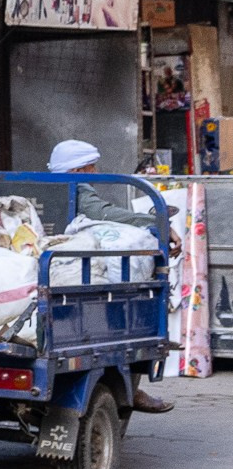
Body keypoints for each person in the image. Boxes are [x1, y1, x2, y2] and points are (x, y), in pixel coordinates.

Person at [48, 139, 175, 412]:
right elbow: (100, 212)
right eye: (92, 168)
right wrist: (154, 222)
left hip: (53, 265)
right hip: (69, 272)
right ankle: (130, 386)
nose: (95, 173)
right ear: (79, 170)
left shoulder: (44, 185)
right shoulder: (76, 187)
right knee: (124, 319)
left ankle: (131, 387)